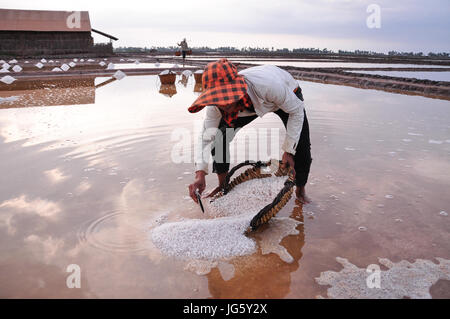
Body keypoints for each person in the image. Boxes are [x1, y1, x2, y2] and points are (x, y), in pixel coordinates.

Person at [188, 58, 312, 204]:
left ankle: (300, 190)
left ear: (237, 90)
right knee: (219, 139)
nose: (223, 105)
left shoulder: (269, 86)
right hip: (249, 104)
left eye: (227, 100)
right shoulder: (216, 106)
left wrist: (288, 150)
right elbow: (206, 137)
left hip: (288, 94)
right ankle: (223, 186)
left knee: (301, 145)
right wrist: (200, 173)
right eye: (219, 101)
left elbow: (296, 112)